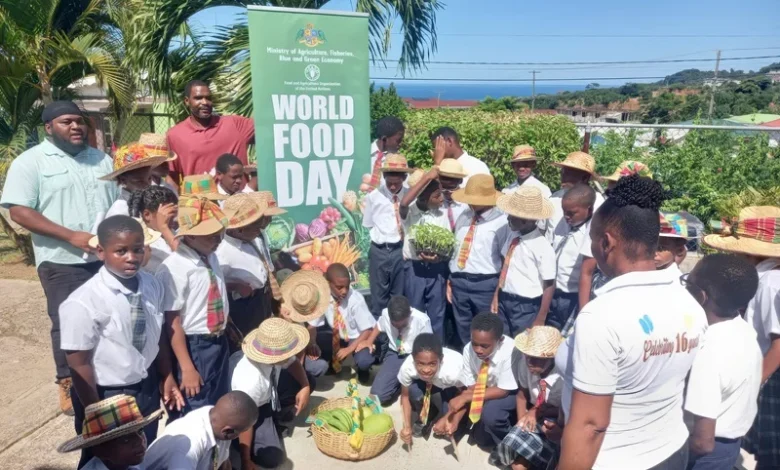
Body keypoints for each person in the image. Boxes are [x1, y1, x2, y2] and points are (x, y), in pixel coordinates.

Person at [557, 175, 707, 470]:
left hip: (613, 460)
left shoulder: (602, 317)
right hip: (671, 452)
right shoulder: (690, 304)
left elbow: (591, 426)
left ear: (606, 242)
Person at [0, 100, 118, 415]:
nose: (76, 126)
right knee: (68, 323)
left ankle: (107, 373)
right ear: (49, 127)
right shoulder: (31, 162)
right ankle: (68, 381)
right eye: (66, 121)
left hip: (106, 260)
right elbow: (19, 211)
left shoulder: (102, 160)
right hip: (61, 261)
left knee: (109, 318)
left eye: (79, 121)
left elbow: (118, 204)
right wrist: (71, 236)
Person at [60, 216, 182, 466]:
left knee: (139, 451)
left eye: (138, 249)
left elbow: (156, 334)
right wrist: (98, 415)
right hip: (105, 395)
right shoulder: (83, 302)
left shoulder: (152, 285)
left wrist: (166, 375)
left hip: (145, 385)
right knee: (104, 460)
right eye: (121, 251)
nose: (132, 257)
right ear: (101, 252)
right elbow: (79, 363)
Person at [702, 206, 780, 470]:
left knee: (771, 455)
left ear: (749, 253)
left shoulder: (769, 282)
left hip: (771, 376)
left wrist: (755, 383)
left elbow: (779, 344)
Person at [683, 254, 761, 470]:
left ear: (701, 296)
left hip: (702, 454)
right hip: (730, 447)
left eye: (688, 282)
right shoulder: (744, 331)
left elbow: (703, 441)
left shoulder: (709, 351)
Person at [156, 196, 230, 416]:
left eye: (219, 233)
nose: (217, 240)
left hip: (218, 339)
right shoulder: (175, 268)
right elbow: (173, 322)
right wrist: (187, 368)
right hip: (195, 345)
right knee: (196, 407)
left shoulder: (209, 256)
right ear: (189, 236)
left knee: (218, 401)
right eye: (210, 236)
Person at [231, 319, 314, 470]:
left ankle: (277, 415)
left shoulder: (277, 354)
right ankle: (237, 444)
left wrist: (305, 386)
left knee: (310, 381)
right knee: (273, 458)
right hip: (249, 409)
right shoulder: (250, 381)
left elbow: (292, 362)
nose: (292, 355)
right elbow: (244, 417)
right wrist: (246, 460)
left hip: (268, 394)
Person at [438, 313, 516, 450]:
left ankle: (510, 445)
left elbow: (503, 390)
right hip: (483, 390)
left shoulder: (510, 351)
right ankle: (460, 424)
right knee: (480, 439)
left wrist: (465, 398)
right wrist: (452, 416)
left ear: (500, 340)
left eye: (484, 346)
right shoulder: (468, 349)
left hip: (508, 392)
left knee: (491, 415)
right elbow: (472, 386)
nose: (478, 350)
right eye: (475, 343)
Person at [492, 326, 565, 470]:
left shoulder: (562, 378)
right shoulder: (525, 365)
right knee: (515, 459)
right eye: (528, 356)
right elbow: (522, 394)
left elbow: (567, 409)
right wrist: (521, 424)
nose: (530, 362)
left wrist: (538, 411)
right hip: (532, 410)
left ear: (552, 358)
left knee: (542, 456)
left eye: (537, 359)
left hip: (556, 419)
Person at [448, 174, 509, 346]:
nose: (470, 202)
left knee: (486, 330)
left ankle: (487, 368)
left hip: (486, 284)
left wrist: (498, 291)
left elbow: (506, 259)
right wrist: (451, 279)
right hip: (459, 282)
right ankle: (469, 366)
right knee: (463, 329)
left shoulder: (502, 222)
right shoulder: (464, 217)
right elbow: (456, 249)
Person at [165, 80, 255, 189]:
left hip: (238, 202)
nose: (205, 102)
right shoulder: (175, 135)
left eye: (208, 98)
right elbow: (172, 177)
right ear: (187, 101)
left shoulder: (236, 125)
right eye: (198, 98)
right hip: (199, 203)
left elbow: (272, 129)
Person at [492, 187, 556, 337]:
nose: (507, 218)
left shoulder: (542, 246)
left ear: (527, 220)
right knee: (503, 340)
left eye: (512, 216)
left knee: (522, 344)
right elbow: (504, 268)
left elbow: (549, 284)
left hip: (526, 306)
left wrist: (541, 318)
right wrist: (496, 296)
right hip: (504, 299)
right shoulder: (512, 237)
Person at [143, 391, 259, 470]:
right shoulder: (188, 446)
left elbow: (223, 461)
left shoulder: (218, 419)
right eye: (242, 431)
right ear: (228, 432)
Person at [399, 167, 449, 338]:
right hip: (414, 269)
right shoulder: (410, 212)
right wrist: (427, 177)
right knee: (415, 313)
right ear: (423, 197)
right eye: (437, 196)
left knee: (437, 313)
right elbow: (404, 203)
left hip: (436, 269)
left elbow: (447, 242)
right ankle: (416, 348)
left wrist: (439, 257)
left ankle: (437, 349)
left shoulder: (441, 214)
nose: (442, 199)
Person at [308, 263, 378, 383]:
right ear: (328, 283)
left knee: (364, 360)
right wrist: (312, 343)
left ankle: (363, 369)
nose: (344, 291)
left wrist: (349, 349)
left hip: (356, 337)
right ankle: (332, 363)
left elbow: (367, 330)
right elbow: (312, 326)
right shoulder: (322, 296)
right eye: (339, 287)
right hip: (336, 335)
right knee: (318, 339)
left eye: (347, 286)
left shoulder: (356, 299)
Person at [215, 194, 271, 339]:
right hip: (243, 307)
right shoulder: (222, 252)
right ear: (240, 230)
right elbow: (214, 285)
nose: (259, 231)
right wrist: (235, 286)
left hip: (262, 300)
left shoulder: (254, 239)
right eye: (255, 228)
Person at [363, 153, 412, 318]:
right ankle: (381, 341)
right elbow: (368, 224)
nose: (392, 187)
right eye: (389, 183)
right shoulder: (373, 197)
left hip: (401, 251)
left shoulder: (410, 196)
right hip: (380, 251)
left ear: (404, 177)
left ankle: (397, 341)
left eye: (396, 183)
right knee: (379, 299)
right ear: (383, 176)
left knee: (398, 298)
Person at [57, 395, 163, 470]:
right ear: (100, 451)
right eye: (125, 440)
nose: (140, 441)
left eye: (140, 431)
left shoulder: (138, 462)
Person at [398, 333, 465, 446]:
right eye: (420, 364)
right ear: (413, 359)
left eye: (432, 364)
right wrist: (407, 427)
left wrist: (450, 417)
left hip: (451, 386)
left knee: (450, 430)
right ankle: (429, 414)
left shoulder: (453, 371)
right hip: (430, 383)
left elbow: (465, 395)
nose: (426, 370)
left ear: (441, 359)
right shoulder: (407, 368)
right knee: (413, 392)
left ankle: (453, 416)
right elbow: (404, 396)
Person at [367, 295, 433, 405]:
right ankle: (396, 384)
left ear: (410, 314)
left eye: (403, 325)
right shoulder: (386, 314)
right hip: (395, 354)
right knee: (377, 397)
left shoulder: (422, 321)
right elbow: (379, 325)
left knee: (416, 395)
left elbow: (428, 348)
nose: (399, 328)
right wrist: (369, 341)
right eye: (395, 325)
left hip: (415, 356)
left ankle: (403, 382)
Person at [548, 183, 595, 331]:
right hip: (551, 292)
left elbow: (588, 272)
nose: (566, 216)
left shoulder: (592, 234)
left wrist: (583, 312)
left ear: (589, 210)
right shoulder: (562, 224)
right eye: (564, 211)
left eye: (572, 213)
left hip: (572, 298)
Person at [279, 270, 332, 380]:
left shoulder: (308, 299)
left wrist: (312, 344)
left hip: (300, 352)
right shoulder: (277, 313)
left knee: (321, 366)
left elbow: (312, 326)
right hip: (284, 357)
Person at [547, 151, 604, 243]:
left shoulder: (597, 203)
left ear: (585, 177)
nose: (563, 175)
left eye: (569, 172)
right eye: (563, 171)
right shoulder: (554, 198)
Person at [101, 144, 167, 218]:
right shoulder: (119, 212)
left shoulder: (149, 201)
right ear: (123, 180)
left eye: (149, 179)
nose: (147, 185)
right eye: (139, 181)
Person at [250, 191, 287, 316]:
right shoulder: (250, 238)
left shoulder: (262, 233)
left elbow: (266, 259)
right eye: (266, 216)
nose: (270, 220)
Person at [502, 145, 553, 235]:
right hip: (509, 238)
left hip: (532, 238)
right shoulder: (507, 191)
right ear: (513, 166)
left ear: (533, 165)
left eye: (525, 165)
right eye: (518, 165)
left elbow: (546, 222)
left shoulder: (542, 190)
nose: (521, 168)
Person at [128, 186, 179, 274]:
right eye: (167, 214)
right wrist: (164, 227)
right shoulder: (146, 243)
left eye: (174, 214)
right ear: (147, 215)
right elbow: (184, 262)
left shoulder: (172, 232)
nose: (174, 219)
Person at [368, 116, 406, 191]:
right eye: (398, 140)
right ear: (384, 139)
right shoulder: (363, 155)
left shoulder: (398, 161)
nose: (400, 144)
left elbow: (404, 188)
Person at [438, 159, 469, 232]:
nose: (447, 192)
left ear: (460, 181)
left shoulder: (468, 204)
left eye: (451, 188)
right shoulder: (435, 202)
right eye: (444, 188)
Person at [656, 212, 689, 277]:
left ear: (679, 250)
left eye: (661, 248)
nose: (653, 252)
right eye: (649, 247)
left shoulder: (681, 284)